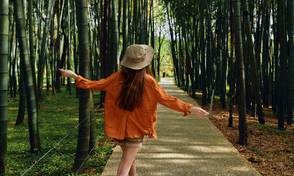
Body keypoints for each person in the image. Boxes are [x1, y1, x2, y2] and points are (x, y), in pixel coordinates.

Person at [59, 44, 209, 176]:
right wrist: (191, 108)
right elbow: (167, 99)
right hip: (136, 131)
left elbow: (94, 84)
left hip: (120, 130)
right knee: (123, 169)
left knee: (129, 160)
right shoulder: (148, 81)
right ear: (144, 64)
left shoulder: (117, 77)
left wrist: (74, 76)